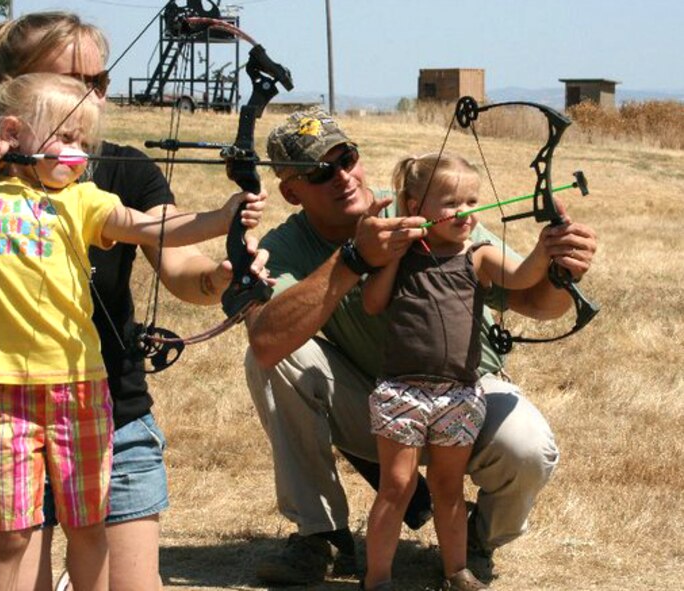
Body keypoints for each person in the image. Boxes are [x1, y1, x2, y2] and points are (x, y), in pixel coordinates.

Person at [0, 12, 269, 591]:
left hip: (107, 409)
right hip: (2, 406)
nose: (89, 98)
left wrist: (224, 269)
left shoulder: (112, 174)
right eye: (72, 83)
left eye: (100, 83)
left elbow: (168, 248)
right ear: (17, 98)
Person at [243, 109, 598, 585]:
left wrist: (560, 270)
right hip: (381, 400)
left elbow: (536, 301)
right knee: (276, 355)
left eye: (346, 158)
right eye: (320, 172)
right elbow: (265, 340)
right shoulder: (286, 244)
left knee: (529, 449)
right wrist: (352, 260)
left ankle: (475, 544)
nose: (342, 177)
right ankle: (319, 535)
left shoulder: (430, 207)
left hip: (466, 391)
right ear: (291, 192)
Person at [361, 153, 554, 591]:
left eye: (472, 200)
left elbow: (522, 277)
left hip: (460, 395)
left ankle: (456, 571)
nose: (465, 212)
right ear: (414, 205)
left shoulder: (478, 256)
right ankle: (376, 579)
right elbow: (373, 304)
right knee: (397, 486)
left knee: (448, 488)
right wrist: (392, 255)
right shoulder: (403, 254)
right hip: (401, 391)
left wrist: (546, 247)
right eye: (450, 202)